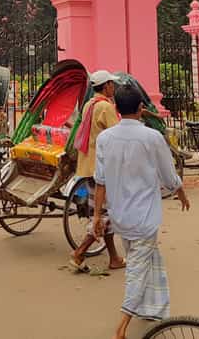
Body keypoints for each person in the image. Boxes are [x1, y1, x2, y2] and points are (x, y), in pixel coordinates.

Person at [92, 84, 190, 339]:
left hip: (120, 215)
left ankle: (153, 308)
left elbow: (100, 181)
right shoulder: (152, 137)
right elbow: (169, 176)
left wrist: (97, 216)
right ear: (140, 109)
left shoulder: (105, 138)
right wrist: (180, 192)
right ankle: (123, 324)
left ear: (116, 108)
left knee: (148, 259)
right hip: (144, 217)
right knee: (136, 268)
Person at [69, 70, 125, 272]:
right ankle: (80, 252)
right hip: (103, 167)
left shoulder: (89, 105)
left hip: (89, 165)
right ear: (107, 86)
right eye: (112, 84)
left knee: (103, 211)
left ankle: (114, 258)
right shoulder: (105, 107)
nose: (114, 87)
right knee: (103, 214)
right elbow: (118, 133)